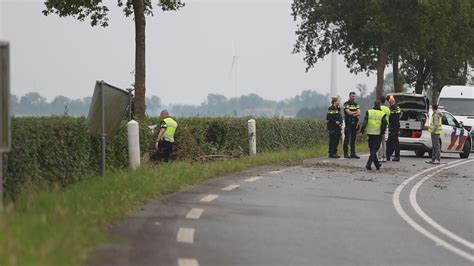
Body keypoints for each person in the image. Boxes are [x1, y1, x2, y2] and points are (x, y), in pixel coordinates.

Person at [360, 100, 387, 170]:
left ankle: (377, 165)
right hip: (378, 134)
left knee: (372, 149)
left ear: (374, 104)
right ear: (380, 105)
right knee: (374, 150)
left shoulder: (369, 112)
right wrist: (382, 132)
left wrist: (361, 131)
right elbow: (384, 123)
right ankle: (368, 164)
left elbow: (365, 122)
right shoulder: (382, 113)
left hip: (370, 133)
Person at [343, 92, 361, 159]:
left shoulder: (356, 104)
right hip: (348, 122)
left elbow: (359, 112)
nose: (353, 97)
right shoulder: (346, 104)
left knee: (353, 139)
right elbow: (348, 112)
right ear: (349, 96)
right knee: (347, 138)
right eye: (352, 96)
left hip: (355, 123)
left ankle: (353, 153)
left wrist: (353, 113)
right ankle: (345, 153)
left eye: (354, 96)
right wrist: (355, 112)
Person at [386, 96, 402, 161]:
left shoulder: (392, 108)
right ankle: (389, 155)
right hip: (396, 125)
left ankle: (396, 156)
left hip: (393, 126)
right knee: (391, 141)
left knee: (394, 142)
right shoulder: (398, 107)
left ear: (390, 102)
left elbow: (390, 116)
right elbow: (401, 114)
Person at [377, 96, 391, 162]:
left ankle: (379, 156)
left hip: (380, 126)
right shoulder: (387, 109)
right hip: (386, 127)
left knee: (379, 142)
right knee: (384, 142)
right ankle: (384, 157)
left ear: (380, 101)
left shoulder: (379, 108)